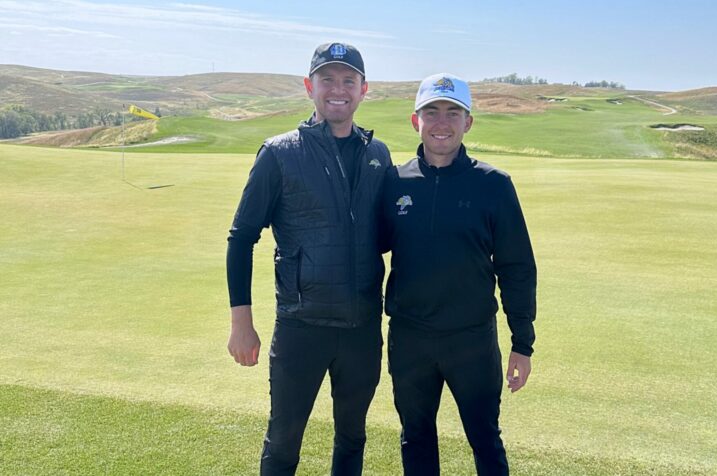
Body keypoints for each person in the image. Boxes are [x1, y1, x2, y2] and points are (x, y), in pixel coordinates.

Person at [226, 42, 392, 476]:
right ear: (309, 86)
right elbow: (241, 238)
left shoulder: (378, 155)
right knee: (283, 443)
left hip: (361, 329)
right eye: (327, 79)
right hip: (302, 328)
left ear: (363, 90)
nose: (338, 89)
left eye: (348, 81)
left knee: (352, 437)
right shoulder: (279, 154)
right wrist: (241, 324)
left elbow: (393, 234)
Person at [380, 73, 537, 475]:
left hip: (472, 341)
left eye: (454, 112)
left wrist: (523, 342)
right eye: (431, 111)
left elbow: (516, 266)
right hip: (410, 338)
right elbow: (365, 250)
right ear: (415, 120)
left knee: (485, 439)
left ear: (468, 122)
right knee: (415, 437)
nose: (442, 122)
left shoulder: (494, 185)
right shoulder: (394, 182)